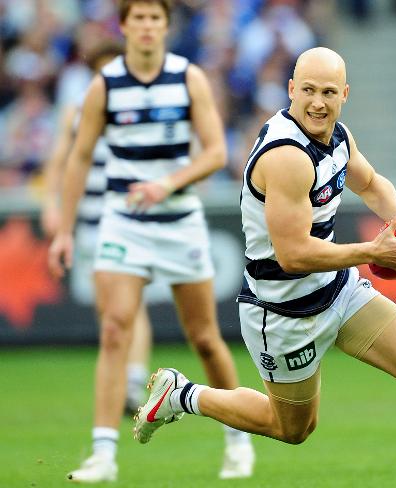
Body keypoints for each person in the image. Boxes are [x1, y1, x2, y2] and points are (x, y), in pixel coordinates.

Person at [134, 47, 396, 488]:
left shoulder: (339, 137)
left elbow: (371, 183)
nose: (317, 102)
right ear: (291, 90)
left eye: (328, 92)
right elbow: (294, 255)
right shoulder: (285, 156)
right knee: (292, 429)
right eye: (307, 90)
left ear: (345, 94)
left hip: (336, 289)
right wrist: (373, 251)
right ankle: (183, 395)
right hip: (283, 313)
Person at [48, 0, 254, 483]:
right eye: (136, 18)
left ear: (165, 25)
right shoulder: (104, 85)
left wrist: (169, 183)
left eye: (154, 18)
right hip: (123, 221)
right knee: (115, 328)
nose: (145, 26)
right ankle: (103, 454)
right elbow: (78, 159)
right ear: (123, 26)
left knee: (204, 338)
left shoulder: (188, 78)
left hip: (179, 219)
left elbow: (217, 152)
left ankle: (238, 437)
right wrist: (64, 230)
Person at [40, 40, 152, 416]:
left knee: (131, 303)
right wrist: (51, 206)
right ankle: (124, 380)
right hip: (90, 221)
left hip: (129, 219)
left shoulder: (141, 109)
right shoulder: (78, 112)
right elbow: (59, 161)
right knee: (107, 308)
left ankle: (134, 384)